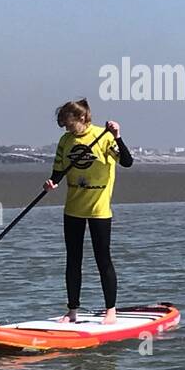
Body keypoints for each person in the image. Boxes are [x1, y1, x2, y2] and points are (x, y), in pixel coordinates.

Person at [43, 99, 134, 323]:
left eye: (69, 123)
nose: (66, 128)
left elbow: (128, 162)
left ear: (82, 118)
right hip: (73, 208)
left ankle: (110, 310)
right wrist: (51, 183)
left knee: (103, 259)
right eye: (64, 124)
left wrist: (118, 136)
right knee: (73, 260)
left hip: (99, 210)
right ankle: (72, 311)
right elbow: (58, 172)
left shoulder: (103, 136)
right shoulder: (65, 140)